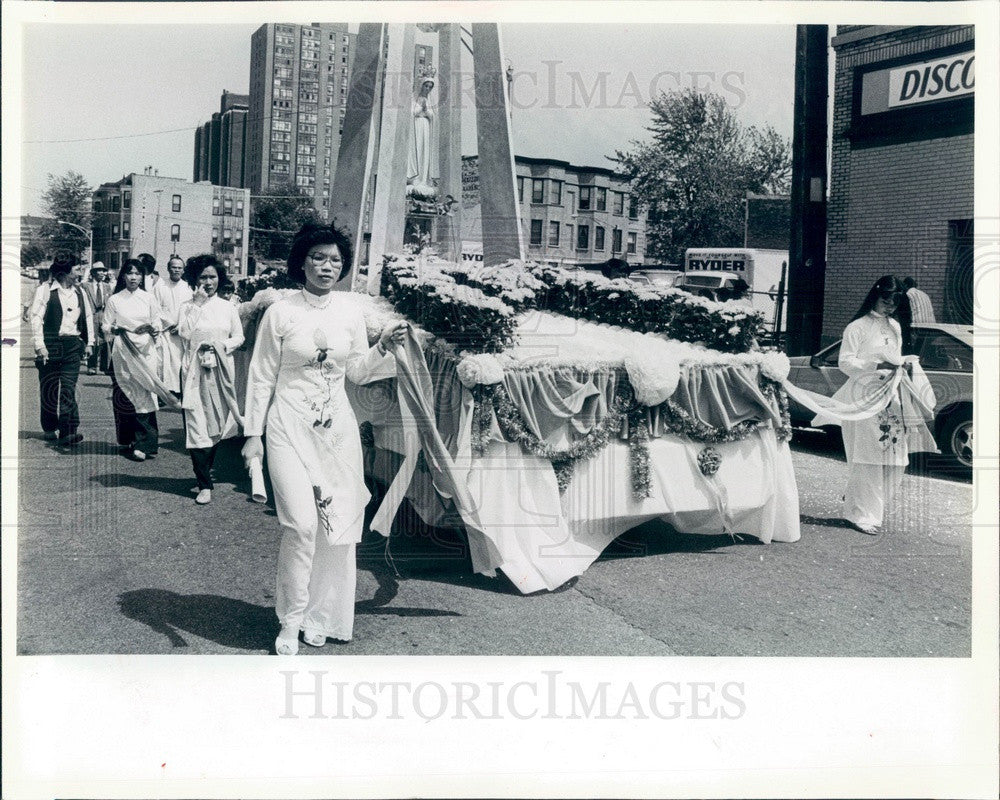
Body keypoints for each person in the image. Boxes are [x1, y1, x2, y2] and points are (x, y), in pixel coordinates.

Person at [241, 222, 408, 655]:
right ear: (302, 261)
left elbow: (357, 372)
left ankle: (322, 616)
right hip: (286, 428)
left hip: (336, 432)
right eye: (317, 257)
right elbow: (261, 378)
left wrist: (383, 347)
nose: (326, 266)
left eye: (334, 259)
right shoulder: (281, 311)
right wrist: (252, 435)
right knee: (301, 525)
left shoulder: (351, 314)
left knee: (337, 529)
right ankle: (290, 621)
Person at [825, 275, 935, 534]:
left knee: (896, 458)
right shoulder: (857, 327)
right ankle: (861, 513)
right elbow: (845, 362)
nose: (889, 308)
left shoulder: (895, 326)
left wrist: (902, 363)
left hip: (891, 396)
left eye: (894, 304)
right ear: (875, 296)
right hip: (864, 395)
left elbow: (894, 355)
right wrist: (876, 366)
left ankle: (860, 502)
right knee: (868, 456)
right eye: (886, 301)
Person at [177, 255, 245, 505]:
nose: (208, 282)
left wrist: (220, 345)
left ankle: (204, 474)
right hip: (194, 373)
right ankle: (204, 483)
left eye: (212, 277)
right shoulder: (187, 307)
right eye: (203, 277)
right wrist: (196, 304)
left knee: (216, 426)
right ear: (194, 279)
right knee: (196, 426)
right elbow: (184, 333)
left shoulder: (228, 307)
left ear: (220, 279)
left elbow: (239, 337)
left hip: (220, 373)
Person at [103, 259, 174, 461]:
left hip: (145, 350)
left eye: (137, 273)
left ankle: (145, 443)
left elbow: (157, 321)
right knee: (125, 392)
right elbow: (106, 326)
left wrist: (153, 329)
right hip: (123, 350)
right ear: (123, 276)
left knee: (145, 391)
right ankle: (126, 439)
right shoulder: (115, 300)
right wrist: (115, 329)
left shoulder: (149, 298)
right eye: (129, 273)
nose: (133, 277)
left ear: (142, 277)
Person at [29, 252, 95, 446]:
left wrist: (89, 343)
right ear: (65, 272)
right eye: (77, 268)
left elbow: (88, 317)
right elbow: (36, 318)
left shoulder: (80, 292)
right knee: (49, 387)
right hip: (50, 345)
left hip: (73, 345)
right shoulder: (45, 290)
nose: (80, 272)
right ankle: (49, 426)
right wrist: (40, 346)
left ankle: (68, 431)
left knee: (68, 389)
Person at [153, 254, 194, 394]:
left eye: (179, 268)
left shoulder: (188, 288)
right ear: (168, 269)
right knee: (166, 362)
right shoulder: (160, 286)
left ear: (183, 270)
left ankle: (181, 390)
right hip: (166, 332)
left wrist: (180, 325)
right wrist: (169, 324)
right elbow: (155, 308)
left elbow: (191, 310)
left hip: (182, 332)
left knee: (181, 362)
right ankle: (167, 391)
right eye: (173, 267)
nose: (176, 270)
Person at [79, 261, 111, 374]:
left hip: (103, 315)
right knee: (92, 342)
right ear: (93, 273)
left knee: (104, 342)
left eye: (103, 271)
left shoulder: (107, 287)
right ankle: (91, 366)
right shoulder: (85, 286)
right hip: (91, 316)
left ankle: (104, 366)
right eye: (99, 270)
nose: (102, 273)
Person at [406, 75, 435, 198]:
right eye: (426, 86)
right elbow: (410, 113)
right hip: (416, 127)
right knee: (416, 151)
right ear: (421, 85)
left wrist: (427, 111)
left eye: (430, 87)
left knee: (424, 153)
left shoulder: (429, 100)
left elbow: (433, 116)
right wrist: (420, 108)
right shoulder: (413, 98)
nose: (427, 89)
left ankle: (423, 180)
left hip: (425, 127)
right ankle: (415, 179)